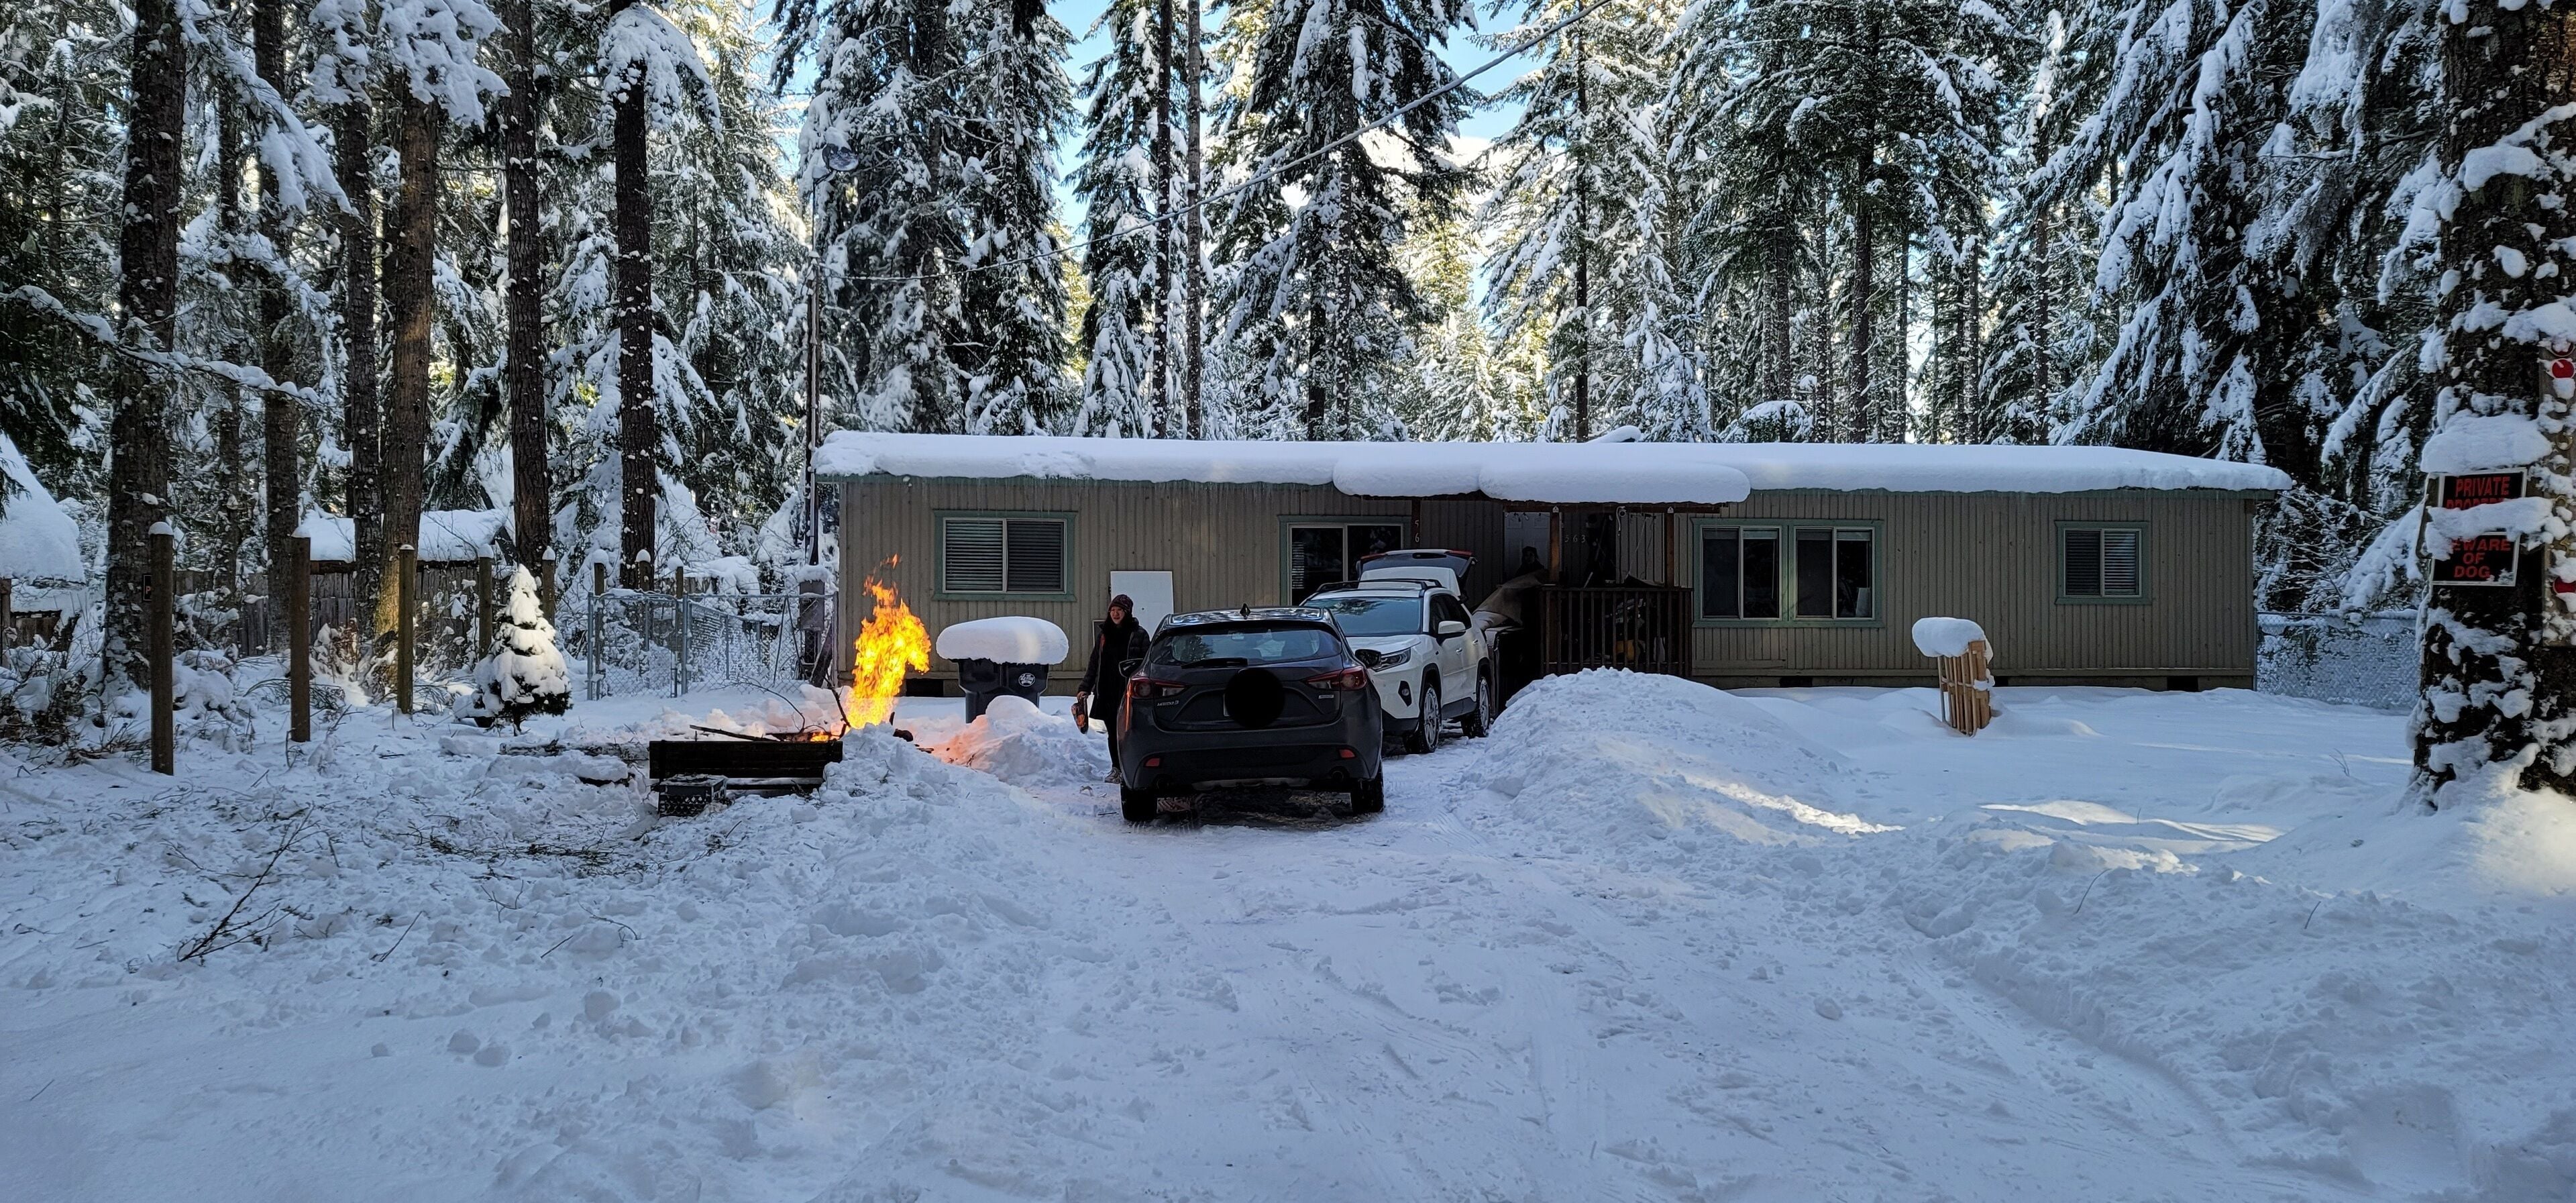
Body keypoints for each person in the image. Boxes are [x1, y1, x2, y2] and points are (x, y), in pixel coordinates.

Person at [1077, 594, 1150, 772]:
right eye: (1113, 611)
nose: (1115, 614)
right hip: (1107, 691)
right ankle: (1116, 768)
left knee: (1129, 733)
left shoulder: (1139, 634)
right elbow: (1095, 662)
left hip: (1129, 692)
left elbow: (1147, 663)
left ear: (1127, 612)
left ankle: (1131, 769)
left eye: (1119, 611)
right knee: (1113, 733)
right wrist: (1085, 687)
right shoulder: (1104, 635)